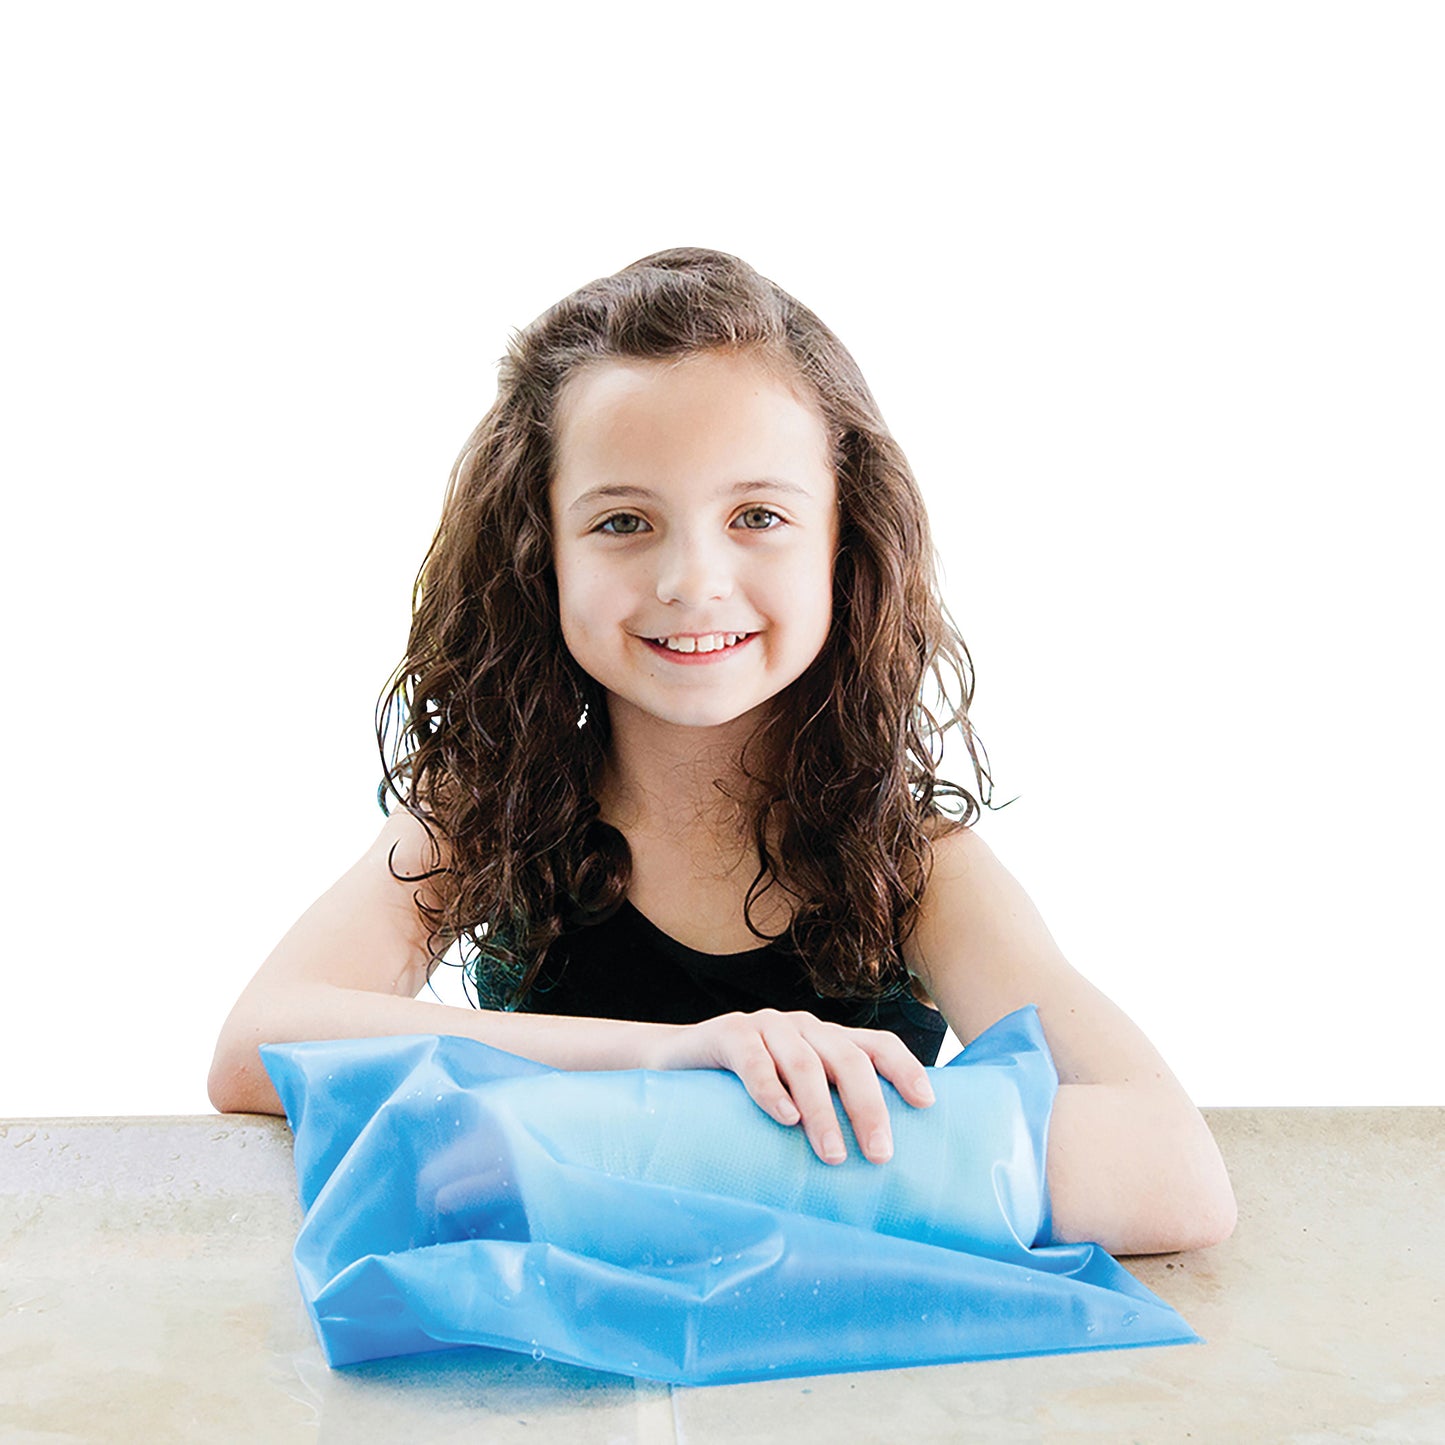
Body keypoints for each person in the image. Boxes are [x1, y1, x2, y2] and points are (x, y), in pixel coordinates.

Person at [209, 248, 1235, 1256]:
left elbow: (1171, 1175)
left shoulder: (916, 865)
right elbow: (260, 1044)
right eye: (622, 520)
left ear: (843, 540)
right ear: (539, 552)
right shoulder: (482, 815)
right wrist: (683, 1059)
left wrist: (629, 1132)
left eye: (756, 516)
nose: (691, 580)